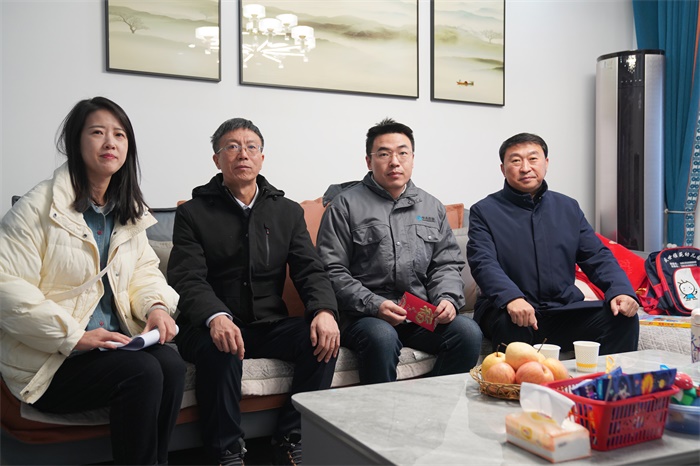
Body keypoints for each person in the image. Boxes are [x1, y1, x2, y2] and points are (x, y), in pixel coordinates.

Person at [0, 97, 184, 465]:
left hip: (110, 348)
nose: (110, 142)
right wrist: (74, 336)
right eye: (97, 132)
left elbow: (145, 271)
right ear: (76, 141)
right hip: (51, 359)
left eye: (119, 134)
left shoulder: (129, 211)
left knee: (171, 364)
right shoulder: (37, 208)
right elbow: (7, 288)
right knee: (143, 371)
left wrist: (157, 307)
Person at [168, 117, 339, 466]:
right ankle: (226, 452)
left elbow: (310, 269)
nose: (242, 154)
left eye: (251, 147)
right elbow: (187, 277)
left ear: (262, 157)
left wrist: (324, 310)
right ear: (217, 159)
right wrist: (216, 316)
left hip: (268, 323)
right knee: (221, 349)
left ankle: (291, 436)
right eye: (232, 147)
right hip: (207, 325)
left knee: (321, 342)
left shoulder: (287, 212)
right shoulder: (192, 214)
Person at [316, 117, 482, 385]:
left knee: (467, 333)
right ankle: (382, 412)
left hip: (417, 314)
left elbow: (446, 264)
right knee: (382, 337)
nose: (395, 161)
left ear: (412, 159)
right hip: (364, 315)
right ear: (369, 161)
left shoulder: (431, 207)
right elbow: (331, 270)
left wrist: (447, 299)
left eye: (402, 153)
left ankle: (432, 406)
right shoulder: (343, 206)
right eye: (384, 154)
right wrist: (375, 304)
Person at [467, 132, 640, 354]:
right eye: (516, 160)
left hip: (563, 309)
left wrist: (621, 291)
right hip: (507, 309)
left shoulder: (568, 207)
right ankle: (516, 379)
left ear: (546, 163)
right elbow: (483, 263)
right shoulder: (484, 211)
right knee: (512, 324)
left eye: (533, 158)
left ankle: (609, 377)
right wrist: (512, 298)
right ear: (503, 169)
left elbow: (597, 256)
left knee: (623, 318)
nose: (525, 168)